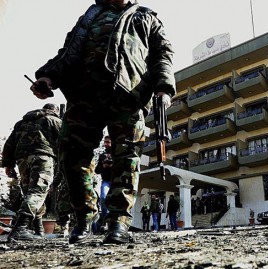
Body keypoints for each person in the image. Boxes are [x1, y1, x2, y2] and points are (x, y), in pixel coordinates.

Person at [30, 0, 175, 244]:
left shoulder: (146, 17)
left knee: (126, 157)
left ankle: (118, 221)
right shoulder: (91, 15)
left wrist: (164, 88)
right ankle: (84, 217)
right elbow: (69, 51)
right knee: (71, 153)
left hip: (128, 94)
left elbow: (163, 55)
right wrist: (48, 76)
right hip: (84, 95)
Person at [2, 103, 62, 241]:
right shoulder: (53, 120)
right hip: (43, 157)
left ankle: (38, 230)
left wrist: (8, 165)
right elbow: (66, 140)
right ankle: (20, 228)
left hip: (22, 160)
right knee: (38, 192)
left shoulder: (21, 123)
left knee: (30, 193)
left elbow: (9, 144)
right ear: (54, 111)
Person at [94, 135, 112, 230]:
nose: (106, 144)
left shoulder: (117, 153)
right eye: (105, 142)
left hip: (116, 181)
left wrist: (112, 165)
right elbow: (97, 170)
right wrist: (102, 165)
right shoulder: (102, 155)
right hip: (106, 181)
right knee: (103, 198)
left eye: (108, 142)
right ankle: (106, 221)